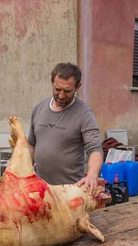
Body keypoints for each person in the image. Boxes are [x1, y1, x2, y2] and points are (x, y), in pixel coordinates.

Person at [28, 62, 103, 195]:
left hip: (70, 192)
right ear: (52, 83)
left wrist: (92, 175)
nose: (61, 95)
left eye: (67, 91)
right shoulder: (39, 108)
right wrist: (24, 171)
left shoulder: (84, 114)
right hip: (40, 189)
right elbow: (31, 145)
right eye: (57, 89)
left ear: (77, 87)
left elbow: (95, 150)